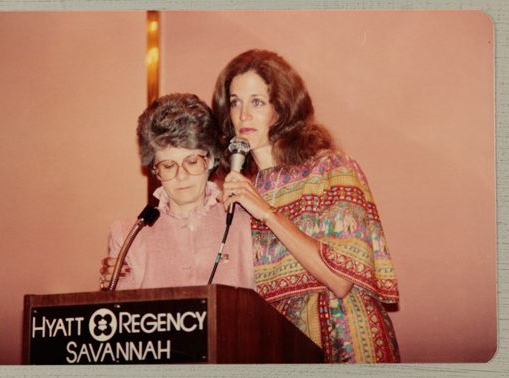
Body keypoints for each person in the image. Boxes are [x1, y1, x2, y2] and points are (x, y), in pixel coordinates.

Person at [213, 49, 400, 363]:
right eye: (235, 102)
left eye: (257, 101)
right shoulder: (235, 191)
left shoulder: (331, 169)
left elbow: (340, 281)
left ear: (281, 108)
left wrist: (267, 213)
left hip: (346, 337)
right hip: (275, 344)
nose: (243, 115)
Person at [100, 93, 255, 291]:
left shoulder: (245, 224)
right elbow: (124, 315)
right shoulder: (128, 236)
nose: (181, 176)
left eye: (192, 162)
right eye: (168, 166)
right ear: (156, 170)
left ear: (210, 160)